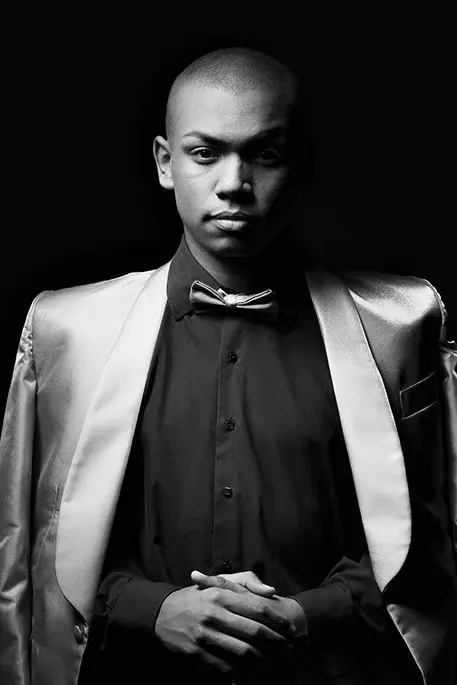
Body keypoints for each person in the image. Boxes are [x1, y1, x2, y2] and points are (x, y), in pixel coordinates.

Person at [0, 47, 456, 685]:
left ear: (301, 165)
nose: (235, 183)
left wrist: (308, 615)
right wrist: (151, 609)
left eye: (265, 154)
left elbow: (433, 533)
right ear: (166, 163)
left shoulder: (402, 323)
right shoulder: (63, 329)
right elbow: (34, 538)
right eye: (205, 153)